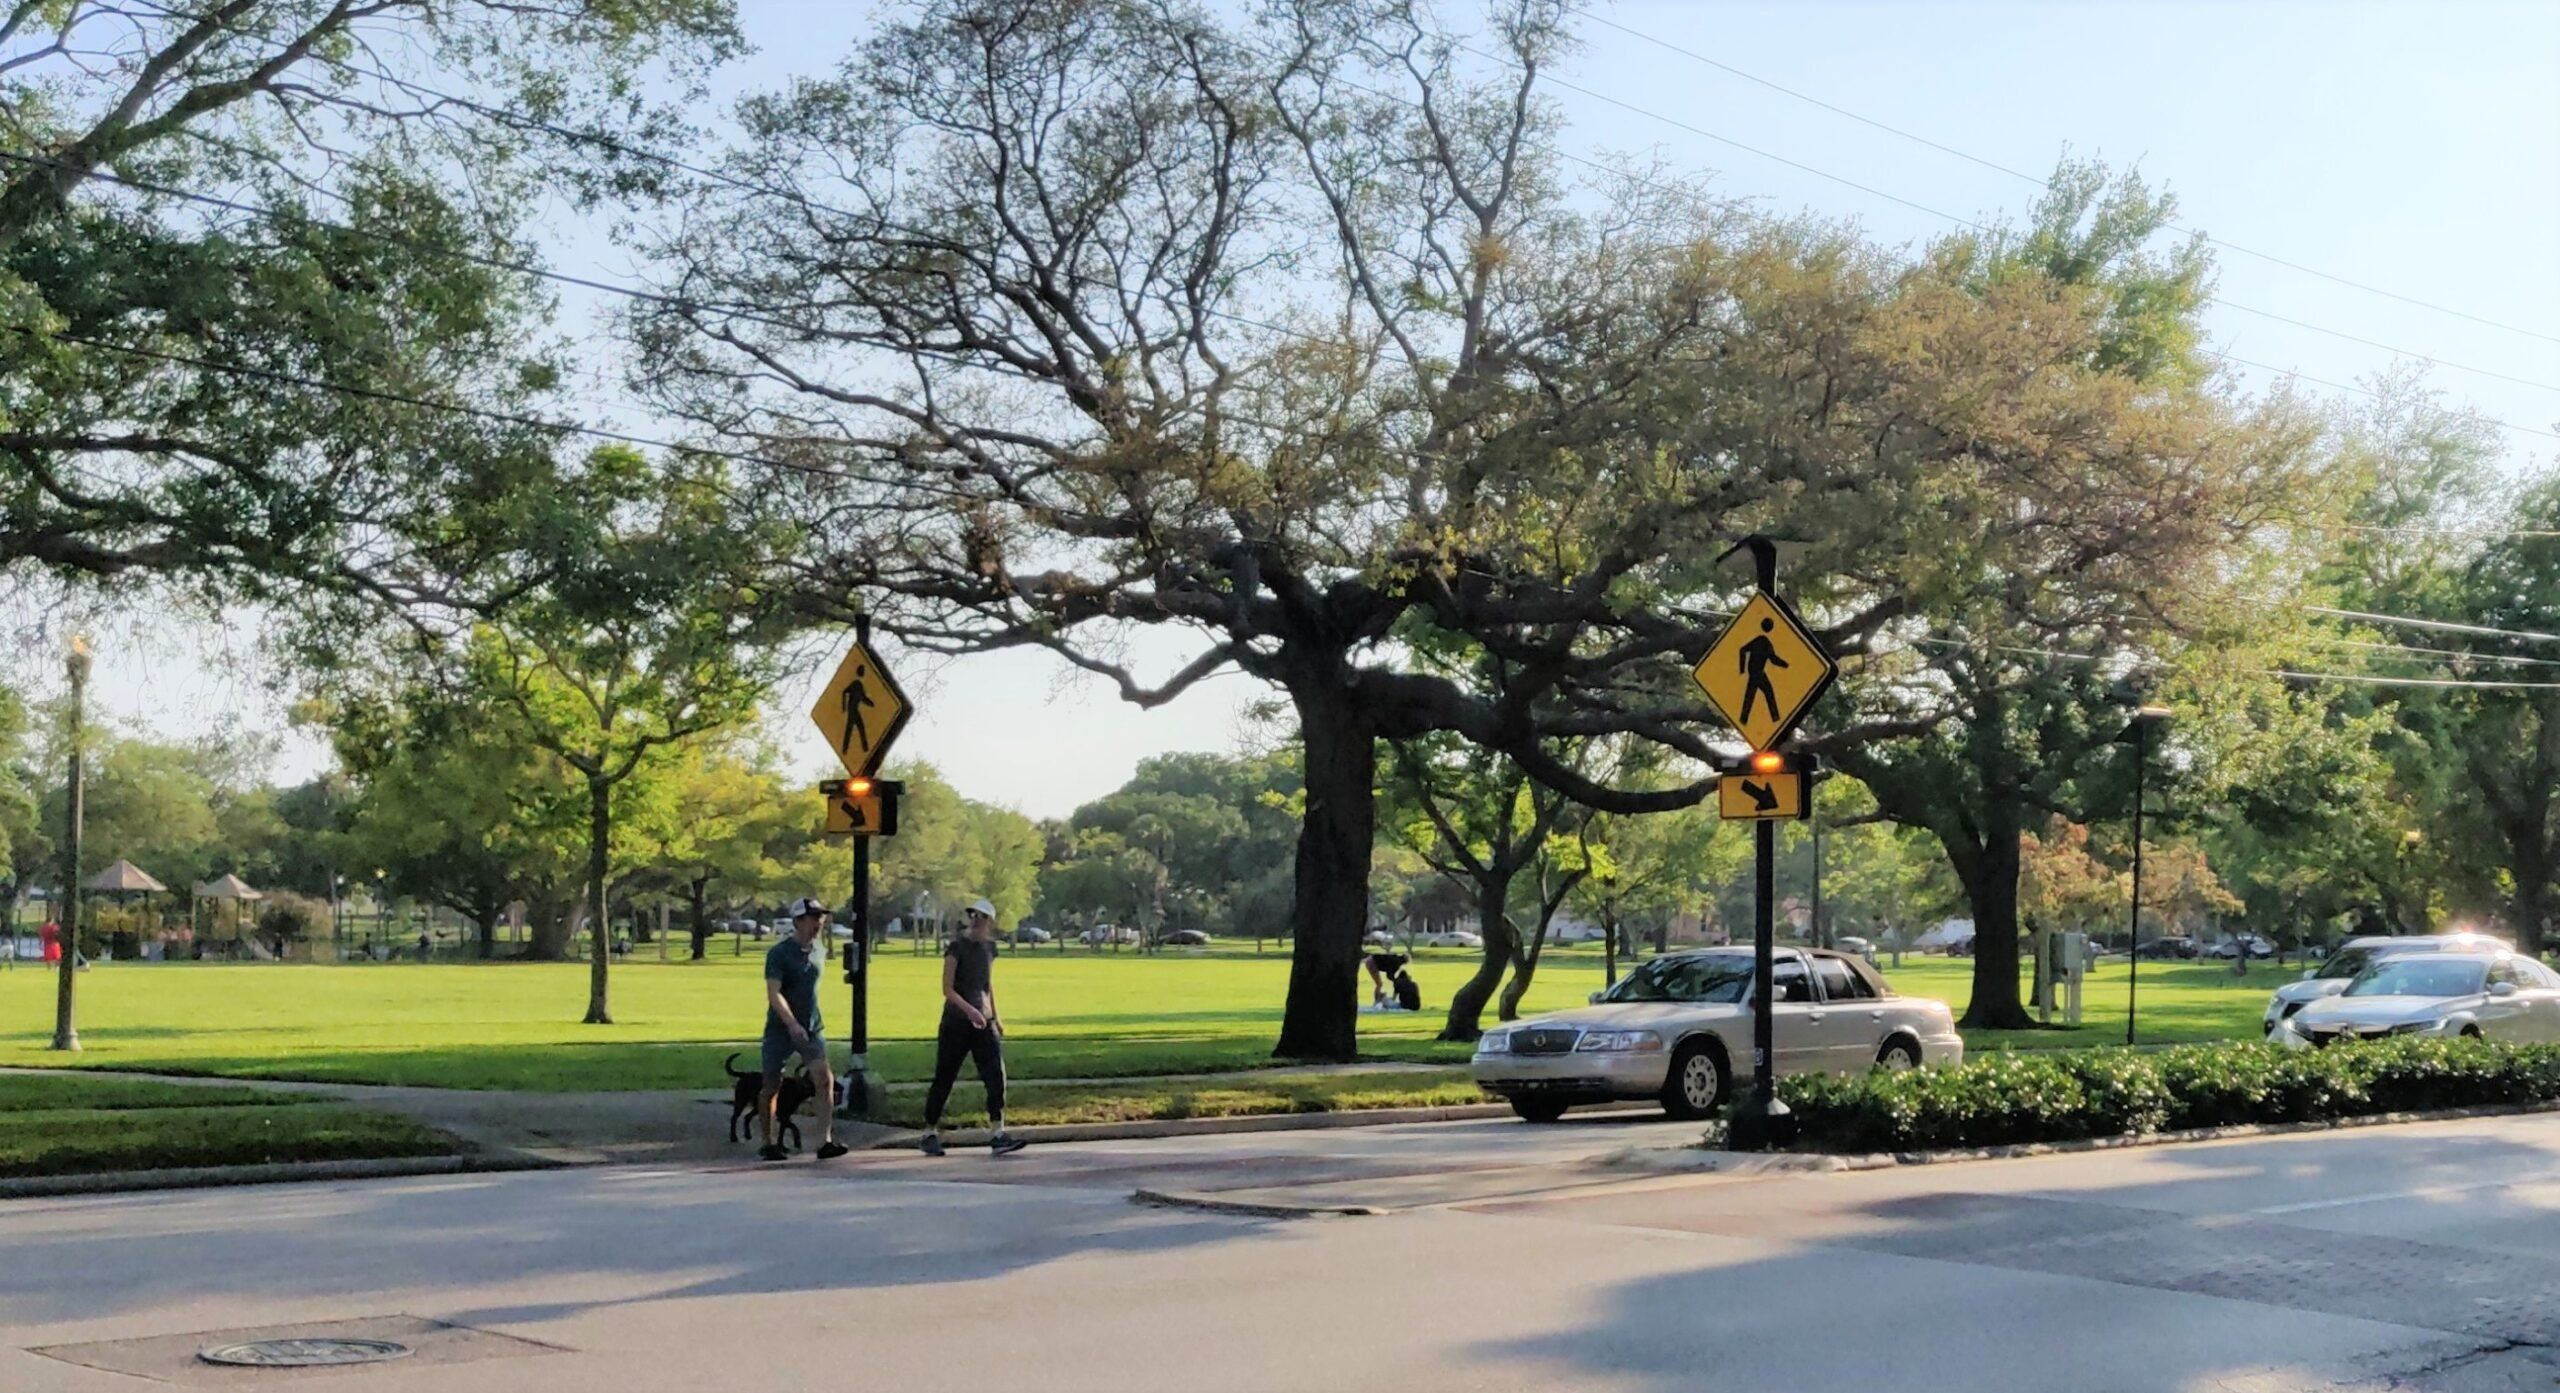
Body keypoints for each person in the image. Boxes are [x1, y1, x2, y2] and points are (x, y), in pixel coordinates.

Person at [920, 899, 1025, 1158]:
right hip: (957, 1021)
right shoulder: (957, 947)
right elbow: (947, 988)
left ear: (990, 923)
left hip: (984, 1021)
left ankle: (997, 1131)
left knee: (995, 1076)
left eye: (983, 918)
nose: (977, 921)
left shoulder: (989, 948)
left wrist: (995, 1016)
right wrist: (969, 1010)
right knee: (945, 1076)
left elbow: (987, 985)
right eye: (974, 916)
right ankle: (929, 1132)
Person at [759, 897, 848, 1162]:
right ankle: (769, 1142)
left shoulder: (818, 950)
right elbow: (774, 995)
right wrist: (791, 1023)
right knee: (771, 1085)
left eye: (821, 917)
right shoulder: (779, 953)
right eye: (812, 918)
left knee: (824, 1079)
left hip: (811, 1027)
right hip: (781, 1028)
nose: (818, 923)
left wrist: (805, 1025)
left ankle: (825, 1141)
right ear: (798, 921)